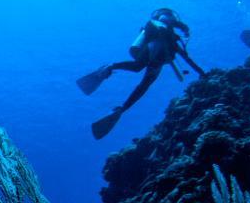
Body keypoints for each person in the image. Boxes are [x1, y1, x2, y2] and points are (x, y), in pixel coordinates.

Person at [78, 8, 205, 139]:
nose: (170, 18)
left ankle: (121, 108)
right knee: (140, 73)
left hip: (158, 57)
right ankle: (110, 68)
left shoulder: (171, 37)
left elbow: (186, 57)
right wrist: (182, 27)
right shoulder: (163, 21)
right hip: (154, 48)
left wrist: (202, 73)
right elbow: (185, 55)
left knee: (144, 82)